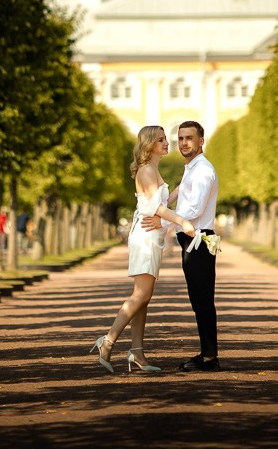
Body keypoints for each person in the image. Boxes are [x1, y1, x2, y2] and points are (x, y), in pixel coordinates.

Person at [90, 125, 196, 375]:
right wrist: (182, 221)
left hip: (151, 237)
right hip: (145, 237)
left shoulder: (152, 169)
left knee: (144, 297)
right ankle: (107, 341)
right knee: (140, 295)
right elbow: (155, 209)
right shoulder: (147, 170)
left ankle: (137, 352)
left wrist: (183, 184)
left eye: (165, 139)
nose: (167, 143)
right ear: (149, 145)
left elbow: (162, 202)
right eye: (161, 140)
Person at [143, 119, 220, 371]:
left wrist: (163, 220)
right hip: (191, 238)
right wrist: (163, 204)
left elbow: (194, 209)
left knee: (202, 300)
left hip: (198, 239)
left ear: (201, 141)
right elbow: (182, 190)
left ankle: (210, 358)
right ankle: (208, 354)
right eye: (181, 138)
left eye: (189, 138)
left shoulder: (203, 170)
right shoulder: (192, 168)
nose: (184, 143)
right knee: (199, 299)